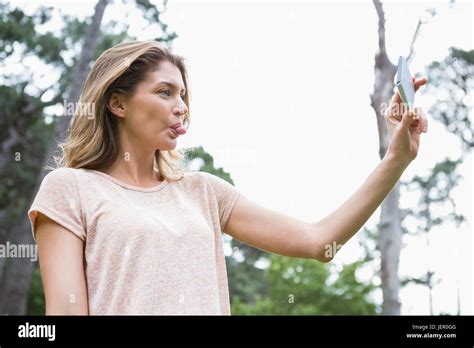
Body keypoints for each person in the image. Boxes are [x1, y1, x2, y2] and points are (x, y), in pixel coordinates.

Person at [28, 40, 428, 315]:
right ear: (117, 102)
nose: (181, 107)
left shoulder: (203, 192)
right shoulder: (70, 189)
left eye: (183, 95)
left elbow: (320, 243)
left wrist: (396, 159)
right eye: (165, 92)